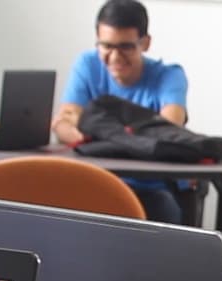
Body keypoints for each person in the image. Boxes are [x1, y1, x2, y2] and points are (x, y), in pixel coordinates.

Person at [51, 0, 187, 224]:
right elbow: (63, 126)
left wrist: (92, 128)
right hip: (93, 182)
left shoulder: (169, 76)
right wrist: (132, 136)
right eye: (106, 46)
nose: (114, 58)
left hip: (148, 189)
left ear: (145, 43)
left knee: (163, 209)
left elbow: (167, 132)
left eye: (125, 47)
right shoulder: (87, 64)